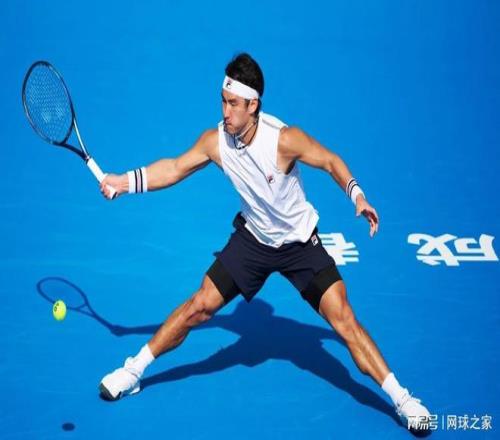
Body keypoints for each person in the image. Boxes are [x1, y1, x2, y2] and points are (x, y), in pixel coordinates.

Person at [98, 53, 430, 432]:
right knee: (199, 307)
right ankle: (133, 371)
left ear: (253, 105)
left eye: (233, 104)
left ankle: (403, 399)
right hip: (253, 240)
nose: (225, 111)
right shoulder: (215, 142)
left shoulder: (284, 140)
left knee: (344, 320)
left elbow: (330, 160)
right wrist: (123, 182)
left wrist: (357, 195)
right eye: (223, 101)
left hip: (300, 245)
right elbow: (174, 168)